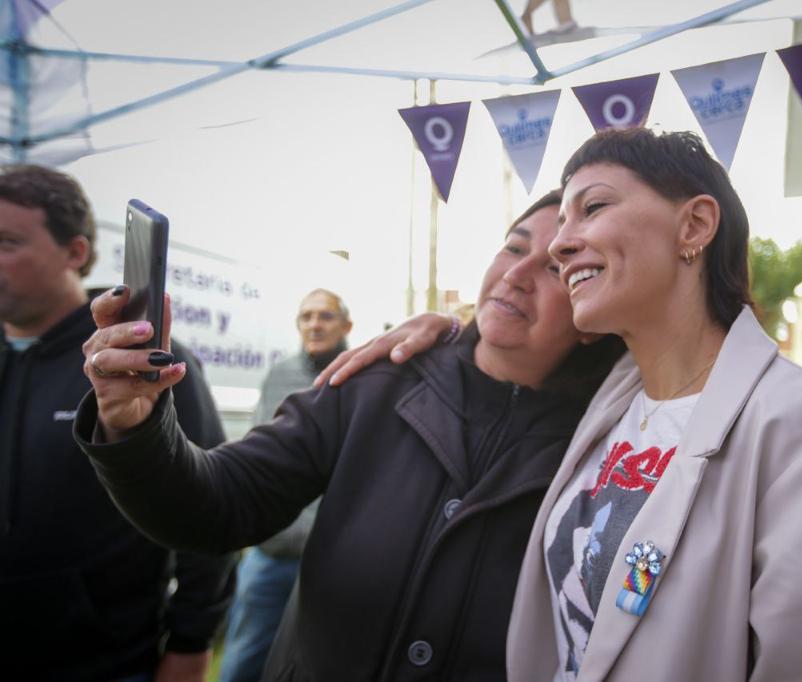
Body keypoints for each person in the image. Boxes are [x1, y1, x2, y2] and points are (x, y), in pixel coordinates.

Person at [319, 128, 802, 680]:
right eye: (561, 223)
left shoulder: (799, 429)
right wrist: (448, 333)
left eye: (592, 208)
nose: (560, 245)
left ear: (694, 225)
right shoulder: (604, 404)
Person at [73, 190, 627, 680]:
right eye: (512, 247)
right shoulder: (377, 381)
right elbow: (218, 503)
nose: (516, 274)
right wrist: (136, 425)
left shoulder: (611, 440)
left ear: (592, 306)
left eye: (555, 266)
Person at [0, 164, 235, 681]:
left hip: (104, 660)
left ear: (75, 252)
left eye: (7, 242)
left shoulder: (136, 362)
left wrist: (191, 644)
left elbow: (207, 510)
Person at [219, 288, 352, 682]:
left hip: (331, 558)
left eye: (325, 316)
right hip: (272, 554)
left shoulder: (364, 376)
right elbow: (259, 456)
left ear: (347, 325)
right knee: (243, 662)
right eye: (306, 316)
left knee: (322, 664)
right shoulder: (279, 376)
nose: (314, 325)